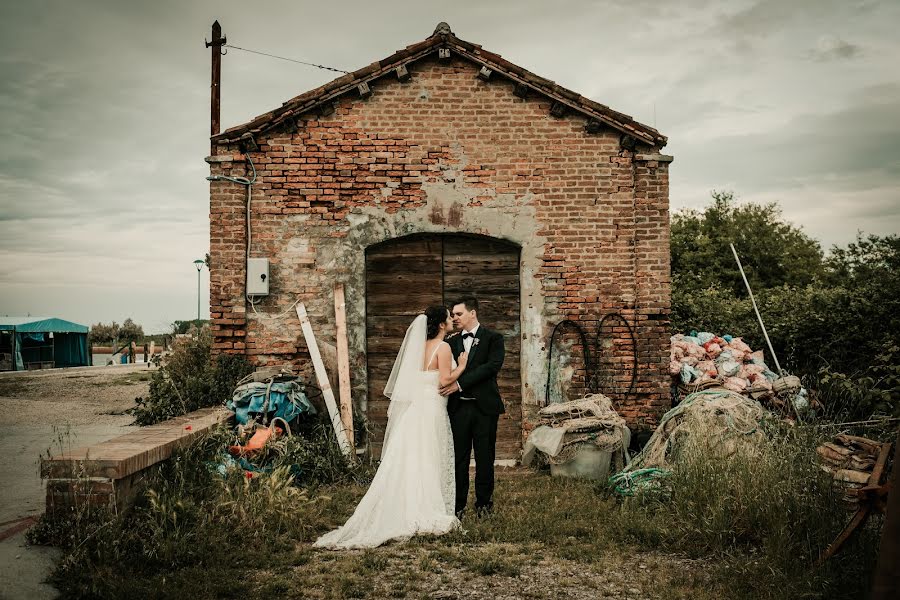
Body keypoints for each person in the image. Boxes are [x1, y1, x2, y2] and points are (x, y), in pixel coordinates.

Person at [314, 306, 468, 549]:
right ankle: (425, 507)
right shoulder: (444, 347)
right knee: (430, 456)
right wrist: (462, 366)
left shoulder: (419, 347)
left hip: (416, 409)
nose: (452, 320)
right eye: (449, 317)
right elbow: (444, 380)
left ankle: (408, 504)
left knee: (412, 458)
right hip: (433, 409)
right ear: (441, 324)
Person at [441, 296, 506, 517]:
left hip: (484, 409)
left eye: (458, 314)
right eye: (452, 315)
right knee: (458, 458)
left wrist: (459, 384)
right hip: (458, 410)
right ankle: (457, 506)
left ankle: (484, 505)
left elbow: (491, 367)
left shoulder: (493, 339)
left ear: (473, 313)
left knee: (485, 458)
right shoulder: (450, 342)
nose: (455, 318)